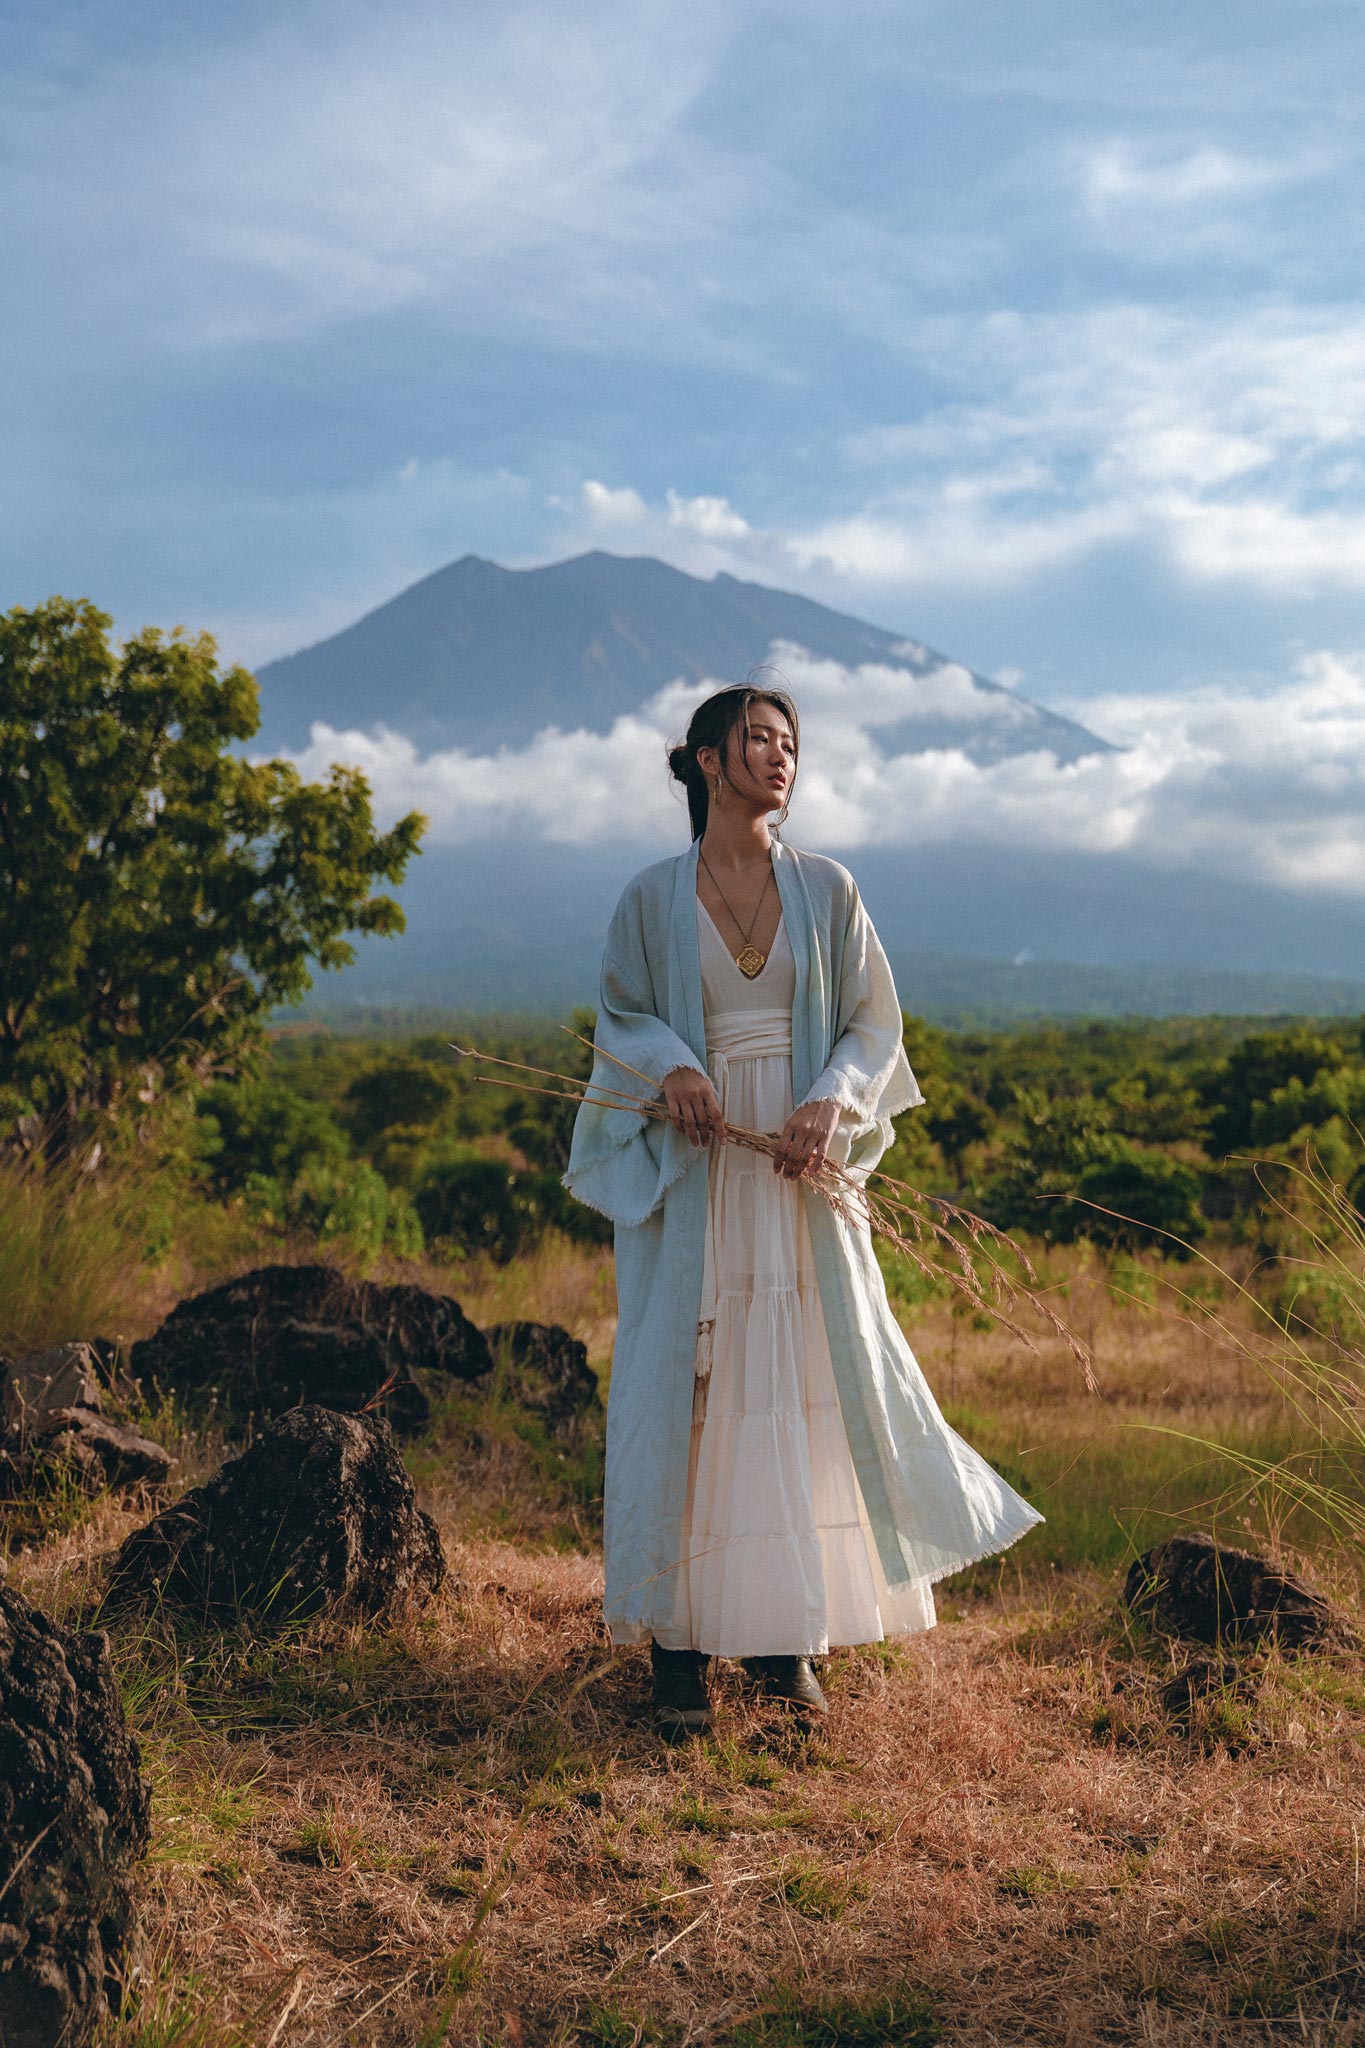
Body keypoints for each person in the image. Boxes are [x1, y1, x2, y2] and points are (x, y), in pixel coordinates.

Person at [563, 683, 1042, 1737]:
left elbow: (874, 1021)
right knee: (693, 1383)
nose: (779, 756)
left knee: (797, 1376)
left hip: (796, 1164)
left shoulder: (829, 888)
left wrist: (833, 1096)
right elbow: (619, 1015)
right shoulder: (650, 897)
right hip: (699, 1170)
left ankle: (786, 1640)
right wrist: (675, 1064)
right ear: (702, 760)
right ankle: (679, 1650)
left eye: (789, 741)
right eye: (756, 739)